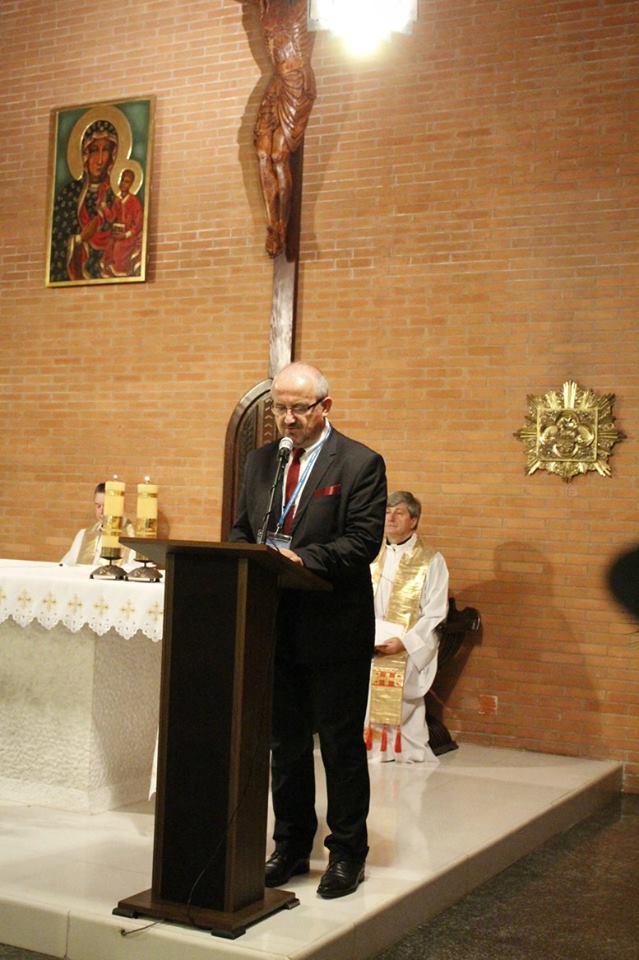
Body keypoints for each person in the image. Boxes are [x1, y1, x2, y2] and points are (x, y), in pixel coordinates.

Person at [230, 362, 387, 898]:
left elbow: (362, 542)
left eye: (298, 408)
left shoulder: (360, 463)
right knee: (286, 744)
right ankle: (291, 845)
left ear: (325, 406)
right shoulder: (261, 461)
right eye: (280, 408)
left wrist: (300, 559)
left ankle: (346, 853)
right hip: (274, 623)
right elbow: (242, 528)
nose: (288, 419)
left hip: (333, 626)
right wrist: (244, 557)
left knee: (340, 745)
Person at [366, 491, 449, 763]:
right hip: (370, 641)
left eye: (399, 513)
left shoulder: (431, 560)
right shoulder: (369, 554)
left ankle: (400, 748)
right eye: (387, 512)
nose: (390, 518)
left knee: (399, 690)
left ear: (413, 521)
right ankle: (370, 746)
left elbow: (435, 612)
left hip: (408, 645)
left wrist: (405, 642)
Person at [254, 0, 317, 257]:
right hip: (278, 83)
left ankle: (282, 223)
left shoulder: (302, 5)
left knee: (279, 156)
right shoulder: (266, 5)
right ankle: (272, 225)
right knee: (262, 154)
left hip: (297, 82)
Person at [49, 119, 119, 282]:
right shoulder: (69, 194)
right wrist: (80, 239)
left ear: (113, 156)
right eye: (94, 150)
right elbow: (56, 242)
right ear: (85, 154)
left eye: (106, 150)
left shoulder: (115, 195)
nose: (100, 160)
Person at [61, 482, 134, 566]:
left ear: (119, 507)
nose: (101, 512)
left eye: (106, 506)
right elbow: (65, 565)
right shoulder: (83, 535)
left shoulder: (131, 540)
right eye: (98, 506)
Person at [100, 168, 144, 278]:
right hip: (118, 233)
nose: (123, 183)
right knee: (109, 244)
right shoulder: (117, 200)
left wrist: (125, 235)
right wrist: (105, 208)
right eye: (122, 180)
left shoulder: (134, 201)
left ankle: (120, 270)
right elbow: (111, 218)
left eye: (127, 181)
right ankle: (108, 271)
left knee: (118, 247)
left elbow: (138, 224)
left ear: (131, 184)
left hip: (130, 236)